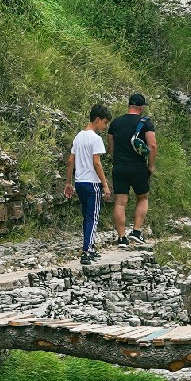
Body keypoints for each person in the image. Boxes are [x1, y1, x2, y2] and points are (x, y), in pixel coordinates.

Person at [106, 91, 157, 243]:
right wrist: (151, 166)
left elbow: (111, 147)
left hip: (119, 167)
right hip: (138, 167)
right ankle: (136, 231)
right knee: (142, 198)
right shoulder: (145, 123)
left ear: (129, 105)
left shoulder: (115, 123)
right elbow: (152, 145)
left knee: (120, 202)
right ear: (141, 108)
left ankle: (122, 238)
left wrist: (117, 160)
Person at [69, 104, 112, 266]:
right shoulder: (96, 139)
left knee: (86, 216)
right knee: (93, 218)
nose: (105, 126)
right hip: (92, 182)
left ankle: (91, 247)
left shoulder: (78, 137)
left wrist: (68, 182)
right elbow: (97, 163)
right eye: (105, 122)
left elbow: (70, 161)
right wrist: (105, 184)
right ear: (97, 119)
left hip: (79, 182)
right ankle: (86, 251)